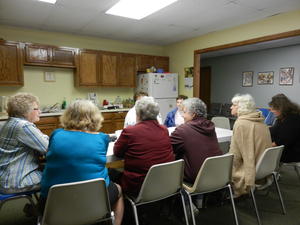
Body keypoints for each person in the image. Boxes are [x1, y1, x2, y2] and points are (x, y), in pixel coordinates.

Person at [40, 100, 124, 225]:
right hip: (94, 199)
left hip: (52, 202)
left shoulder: (56, 134)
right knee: (119, 189)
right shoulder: (102, 138)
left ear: (68, 116)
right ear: (95, 117)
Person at [114, 96, 174, 196]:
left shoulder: (130, 131)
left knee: (110, 173)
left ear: (138, 114)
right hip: (163, 182)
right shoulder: (164, 130)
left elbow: (117, 152)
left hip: (138, 185)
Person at [0, 93, 49, 194]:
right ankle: (43, 209)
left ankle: (37, 208)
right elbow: (49, 149)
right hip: (16, 182)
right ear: (26, 111)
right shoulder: (24, 126)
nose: (40, 111)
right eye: (36, 109)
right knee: (59, 176)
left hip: (4, 179)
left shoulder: (7, 123)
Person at [170, 97, 222, 183]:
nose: (182, 115)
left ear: (193, 114)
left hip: (195, 179)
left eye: (184, 112)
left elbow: (168, 149)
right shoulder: (210, 126)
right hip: (216, 175)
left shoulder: (182, 130)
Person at [229, 94, 272, 196]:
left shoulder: (241, 123)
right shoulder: (261, 120)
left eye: (233, 105)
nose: (231, 107)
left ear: (241, 107)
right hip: (264, 167)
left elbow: (235, 155)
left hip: (252, 168)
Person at [268, 93, 300, 163]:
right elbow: (274, 130)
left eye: (274, 109)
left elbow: (281, 142)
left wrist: (265, 146)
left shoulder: (293, 119)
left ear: (281, 108)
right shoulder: (283, 117)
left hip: (291, 152)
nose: (272, 111)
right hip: (283, 147)